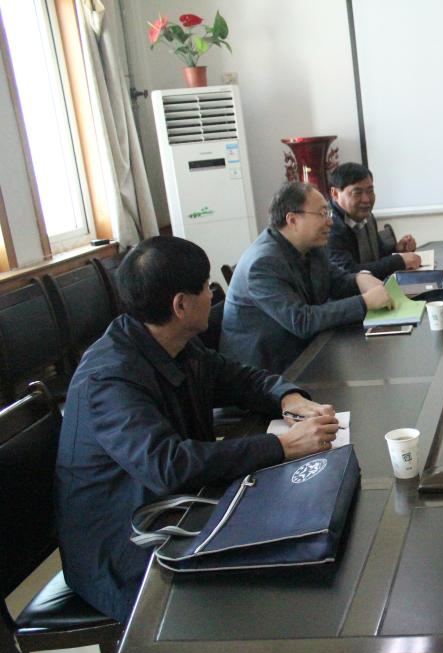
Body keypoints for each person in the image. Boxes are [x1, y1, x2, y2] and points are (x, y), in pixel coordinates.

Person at [55, 236, 341, 623]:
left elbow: (237, 378)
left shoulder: (171, 341)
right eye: (206, 286)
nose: (212, 294)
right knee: (273, 585)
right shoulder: (109, 378)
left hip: (176, 509)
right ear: (181, 305)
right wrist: (283, 446)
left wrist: (287, 398)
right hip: (124, 546)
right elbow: (168, 465)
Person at [221, 182, 393, 375]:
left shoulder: (311, 247)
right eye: (322, 214)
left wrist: (359, 279)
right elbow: (301, 321)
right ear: (292, 220)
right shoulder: (262, 263)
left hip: (305, 352)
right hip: (266, 373)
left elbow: (336, 282)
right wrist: (365, 302)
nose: (330, 221)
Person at [327, 162, 420, 278]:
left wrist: (398, 249)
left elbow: (378, 254)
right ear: (335, 193)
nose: (366, 199)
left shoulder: (367, 216)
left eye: (370, 191)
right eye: (357, 193)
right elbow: (348, 272)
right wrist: (398, 261)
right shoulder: (328, 225)